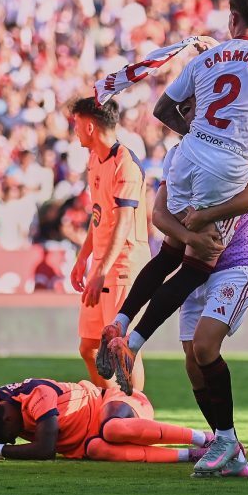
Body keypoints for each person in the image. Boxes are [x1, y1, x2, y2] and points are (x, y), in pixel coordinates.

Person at [99, 0, 248, 396]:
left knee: (170, 251)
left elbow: (162, 109)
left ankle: (120, 321)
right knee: (197, 264)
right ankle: (132, 344)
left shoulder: (206, 58)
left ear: (233, 18)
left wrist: (197, 132)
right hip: (226, 169)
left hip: (187, 155)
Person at [154, 145, 248, 477]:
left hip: (236, 262)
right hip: (195, 263)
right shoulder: (178, 152)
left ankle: (226, 441)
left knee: (204, 346)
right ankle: (231, 451)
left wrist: (203, 217)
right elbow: (159, 213)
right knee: (192, 360)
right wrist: (189, 236)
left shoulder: (243, 143)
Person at [68, 96, 150, 390]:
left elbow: (124, 222)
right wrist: (83, 258)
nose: (74, 130)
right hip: (102, 265)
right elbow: (98, 216)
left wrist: (100, 269)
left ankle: (134, 412)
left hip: (125, 264)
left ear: (90, 126)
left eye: (76, 123)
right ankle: (109, 406)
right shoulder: (94, 159)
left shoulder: (125, 164)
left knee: (122, 345)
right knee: (89, 346)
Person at [0, 379, 212, 464]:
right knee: (96, 449)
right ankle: (192, 455)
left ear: (8, 417)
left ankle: (205, 438)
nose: (14, 439)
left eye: (9, 436)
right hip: (89, 439)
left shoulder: (38, 396)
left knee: (112, 429)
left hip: (115, 402)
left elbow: (45, 450)